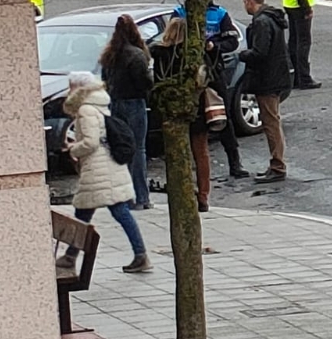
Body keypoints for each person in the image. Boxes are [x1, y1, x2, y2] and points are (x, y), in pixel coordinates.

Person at [57, 72, 150, 273]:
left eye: (71, 86)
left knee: (114, 211)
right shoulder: (99, 105)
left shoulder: (86, 110)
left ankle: (140, 254)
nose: (69, 90)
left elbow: (90, 142)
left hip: (98, 168)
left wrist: (73, 149)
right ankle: (70, 256)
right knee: (85, 213)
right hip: (107, 165)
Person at [150, 15, 221, 212]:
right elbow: (210, 76)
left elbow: (157, 81)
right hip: (195, 108)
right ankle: (203, 195)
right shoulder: (193, 55)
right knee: (201, 153)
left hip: (171, 110)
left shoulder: (161, 55)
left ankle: (184, 192)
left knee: (178, 154)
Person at [172, 1, 248, 181]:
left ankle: (234, 162)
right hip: (187, 73)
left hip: (213, 71)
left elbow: (232, 41)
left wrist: (214, 45)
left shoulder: (219, 13)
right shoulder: (180, 12)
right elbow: (172, 36)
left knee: (223, 116)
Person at [98, 14, 152, 210]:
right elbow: (144, 82)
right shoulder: (136, 55)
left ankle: (124, 196)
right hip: (134, 104)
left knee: (121, 149)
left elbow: (105, 80)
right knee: (138, 150)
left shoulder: (109, 55)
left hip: (115, 104)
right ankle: (141, 197)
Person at [240, 0, 291, 183]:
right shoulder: (273, 19)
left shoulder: (261, 22)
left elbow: (260, 53)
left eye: (245, 2)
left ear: (250, 2)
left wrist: (242, 55)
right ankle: (277, 163)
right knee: (274, 120)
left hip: (267, 79)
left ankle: (277, 165)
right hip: (278, 76)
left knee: (270, 123)